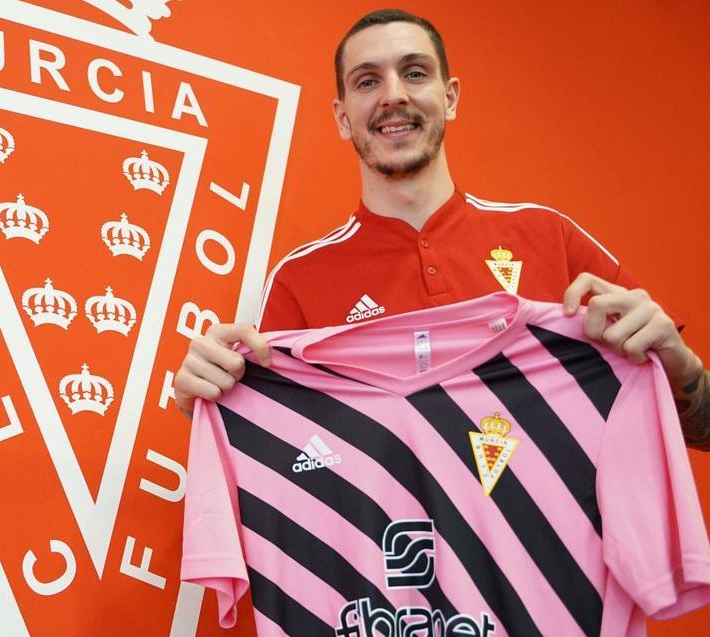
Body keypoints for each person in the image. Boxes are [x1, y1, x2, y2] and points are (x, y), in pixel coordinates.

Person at [172, 9, 710, 450]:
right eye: (367, 81)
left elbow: (699, 428)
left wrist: (677, 365)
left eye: (414, 73)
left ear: (449, 97)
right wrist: (208, 406)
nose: (393, 96)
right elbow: (278, 463)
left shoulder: (550, 238)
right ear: (341, 117)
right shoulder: (298, 280)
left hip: (564, 575)